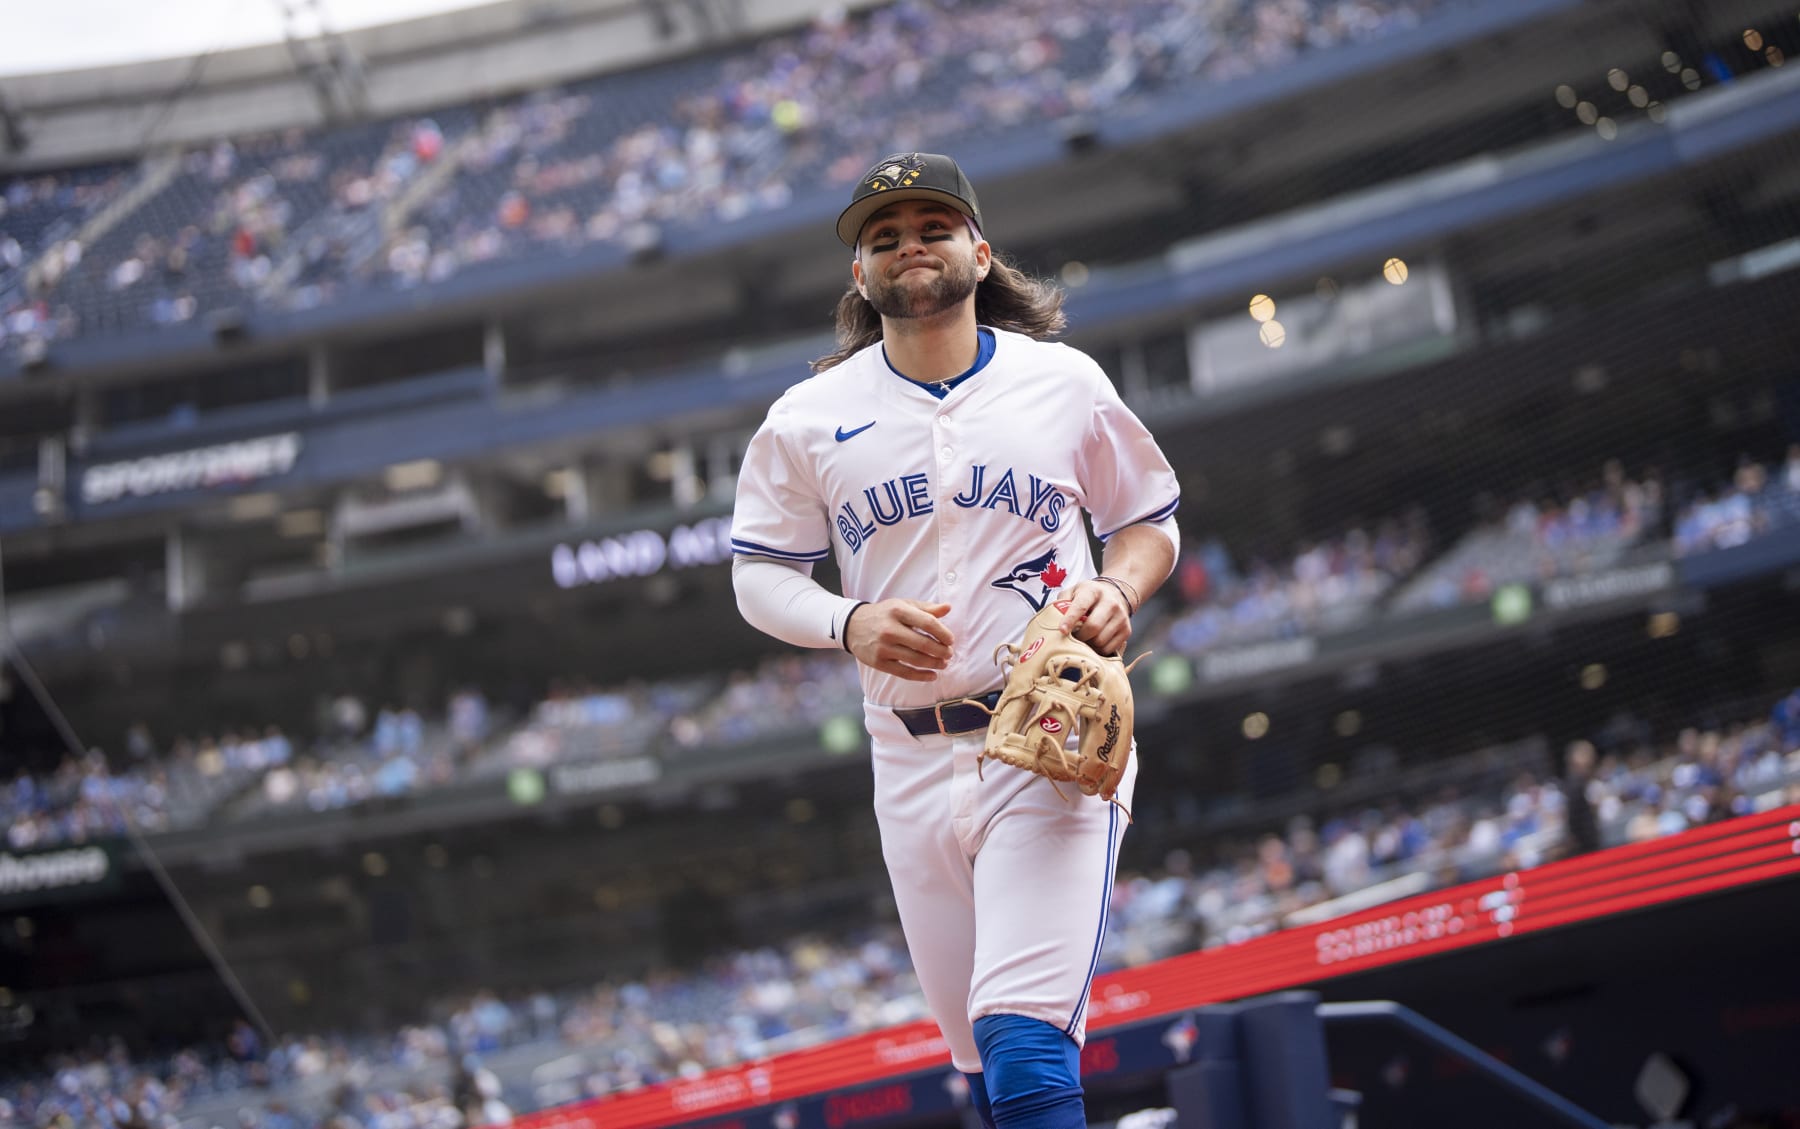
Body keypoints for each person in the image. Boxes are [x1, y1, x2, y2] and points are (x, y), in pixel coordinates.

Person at [730, 152, 1180, 1129]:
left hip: (1047, 743)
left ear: (979, 250)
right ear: (861, 277)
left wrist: (1117, 584)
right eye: (883, 238)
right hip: (907, 762)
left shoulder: (1061, 383)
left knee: (1022, 1042)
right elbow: (758, 574)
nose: (909, 247)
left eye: (932, 227)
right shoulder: (809, 417)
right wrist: (846, 622)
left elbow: (1150, 519)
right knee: (982, 1061)